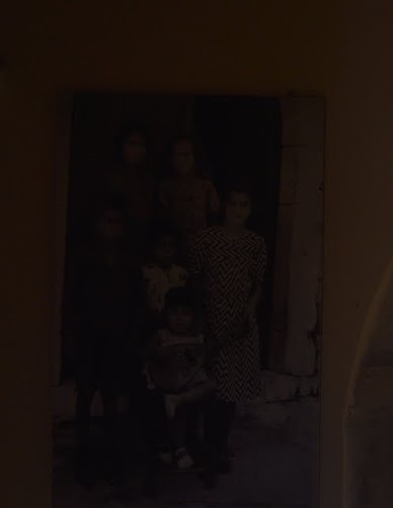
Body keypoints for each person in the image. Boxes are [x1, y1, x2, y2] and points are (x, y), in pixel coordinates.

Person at [65, 193, 145, 486]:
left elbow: (137, 302)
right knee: (85, 397)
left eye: (118, 222)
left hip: (117, 341)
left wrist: (132, 338)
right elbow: (72, 301)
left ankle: (111, 456)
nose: (113, 227)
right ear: (96, 224)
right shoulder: (83, 257)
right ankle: (83, 455)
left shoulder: (129, 260)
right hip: (88, 339)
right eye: (107, 221)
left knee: (112, 399)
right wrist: (72, 340)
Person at [190, 184, 266, 483]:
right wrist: (201, 322)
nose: (237, 210)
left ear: (250, 209)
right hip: (211, 319)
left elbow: (257, 285)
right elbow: (195, 280)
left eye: (243, 204)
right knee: (209, 388)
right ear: (224, 205)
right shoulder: (206, 239)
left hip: (240, 323)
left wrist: (247, 314)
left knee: (230, 391)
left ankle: (218, 447)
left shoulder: (255, 244)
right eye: (233, 203)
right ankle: (205, 449)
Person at [143, 287, 211, 470]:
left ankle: (178, 441)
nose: (180, 319)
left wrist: (194, 359)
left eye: (185, 314)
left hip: (187, 381)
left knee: (209, 386)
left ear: (193, 317)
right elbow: (148, 355)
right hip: (165, 380)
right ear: (166, 314)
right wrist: (159, 353)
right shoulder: (162, 335)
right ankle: (174, 446)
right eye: (174, 313)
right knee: (169, 410)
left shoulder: (196, 337)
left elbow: (199, 361)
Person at [158, 136, 218, 245]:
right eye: (178, 155)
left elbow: (214, 218)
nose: (182, 160)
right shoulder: (166, 188)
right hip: (175, 244)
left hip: (202, 243)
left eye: (186, 155)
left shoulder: (206, 186)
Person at [140, 231, 189, 322]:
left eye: (171, 246)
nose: (167, 251)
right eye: (162, 246)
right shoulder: (145, 273)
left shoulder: (182, 273)